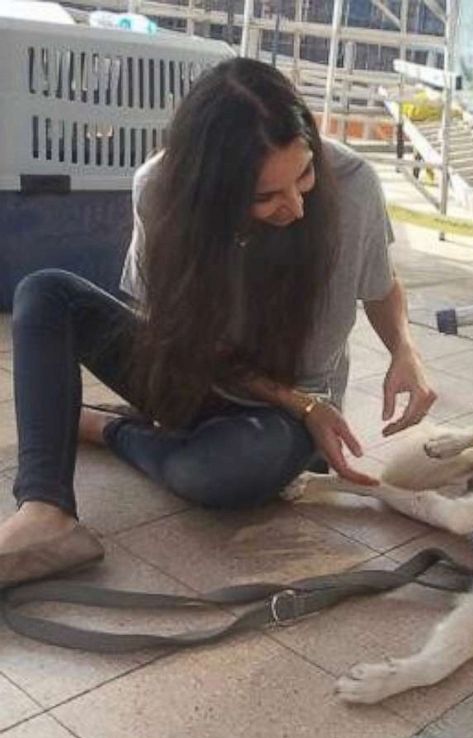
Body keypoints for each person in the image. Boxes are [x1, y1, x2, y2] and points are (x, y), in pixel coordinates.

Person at [0, 57, 436, 587]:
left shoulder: (352, 184)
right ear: (210, 193)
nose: (296, 207)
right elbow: (174, 338)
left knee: (223, 472)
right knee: (45, 292)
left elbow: (381, 285)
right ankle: (45, 514)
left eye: (304, 176)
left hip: (298, 411)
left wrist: (404, 353)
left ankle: (108, 429)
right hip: (198, 369)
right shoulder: (160, 188)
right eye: (266, 196)